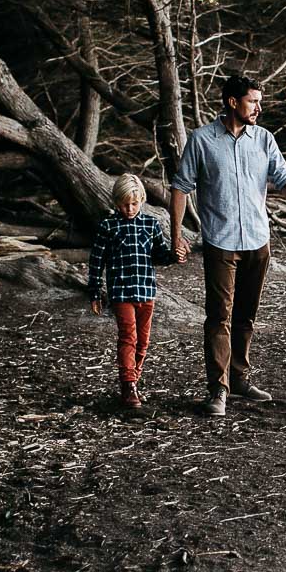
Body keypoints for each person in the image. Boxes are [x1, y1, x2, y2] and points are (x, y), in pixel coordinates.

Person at [169, 72, 286, 417]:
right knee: (219, 316)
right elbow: (180, 186)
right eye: (253, 101)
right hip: (221, 243)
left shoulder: (264, 139)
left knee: (246, 316)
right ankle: (217, 389)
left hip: (257, 241)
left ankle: (239, 379)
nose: (258, 108)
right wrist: (177, 235)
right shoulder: (202, 140)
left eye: (260, 102)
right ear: (232, 102)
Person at [88, 174, 175, 412]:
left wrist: (175, 255)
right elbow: (97, 261)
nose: (129, 208)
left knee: (143, 341)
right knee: (128, 337)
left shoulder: (150, 224)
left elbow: (159, 255)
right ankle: (128, 386)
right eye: (125, 203)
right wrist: (95, 291)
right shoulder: (109, 226)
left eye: (134, 203)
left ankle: (134, 381)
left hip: (146, 291)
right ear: (116, 202)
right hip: (121, 292)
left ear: (142, 201)